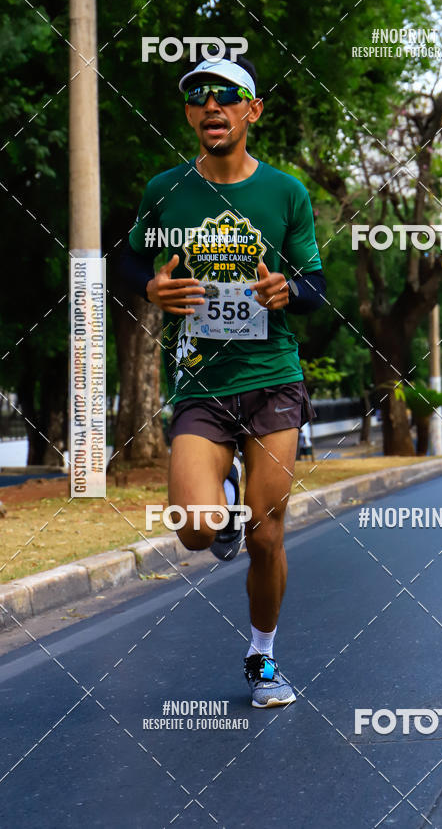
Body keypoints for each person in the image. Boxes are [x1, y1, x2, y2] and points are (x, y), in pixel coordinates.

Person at [120, 50, 326, 707]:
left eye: (227, 94)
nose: (213, 104)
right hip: (201, 387)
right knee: (195, 529)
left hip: (272, 379)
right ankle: (224, 490)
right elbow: (125, 260)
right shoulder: (166, 190)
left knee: (268, 535)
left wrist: (287, 289)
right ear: (190, 112)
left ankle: (262, 658)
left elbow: (317, 285)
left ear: (251, 111)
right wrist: (150, 285)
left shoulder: (287, 192)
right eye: (200, 95)